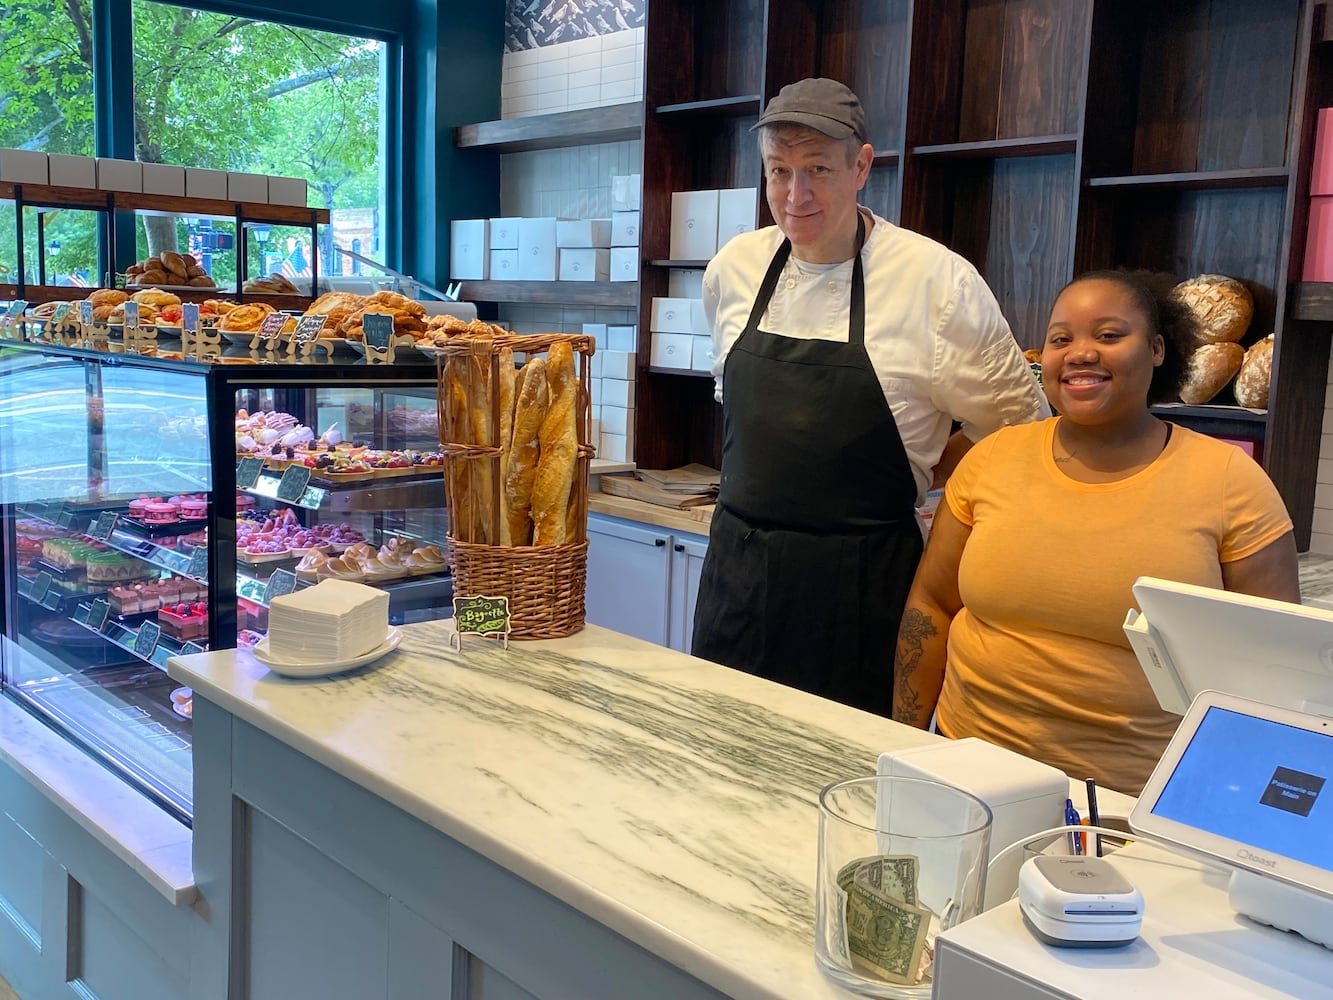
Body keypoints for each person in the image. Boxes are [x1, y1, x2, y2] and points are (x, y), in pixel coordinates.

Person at [690, 78, 1049, 716]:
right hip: (738, 578)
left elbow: (1021, 431)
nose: (795, 195)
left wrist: (926, 468)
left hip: (862, 589)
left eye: (818, 170)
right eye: (780, 171)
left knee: (846, 785)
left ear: (862, 167)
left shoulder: (937, 284)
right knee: (724, 763)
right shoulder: (734, 268)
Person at [892, 269, 1300, 793]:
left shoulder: (1229, 481)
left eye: (1108, 335)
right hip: (965, 768)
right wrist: (904, 743)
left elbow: (1272, 666)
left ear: (1157, 348)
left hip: (1133, 797)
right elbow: (931, 606)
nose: (1080, 352)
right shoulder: (991, 459)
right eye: (1062, 339)